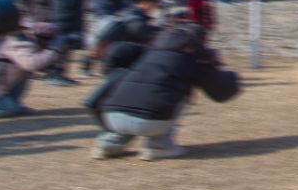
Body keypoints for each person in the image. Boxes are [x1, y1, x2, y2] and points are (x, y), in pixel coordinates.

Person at [92, 19, 240, 161]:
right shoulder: (195, 57)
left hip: (113, 116)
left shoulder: (151, 50)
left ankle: (109, 143)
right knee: (177, 91)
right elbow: (221, 93)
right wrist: (231, 75)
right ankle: (158, 145)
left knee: (145, 90)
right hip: (151, 121)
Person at [0, 22, 69, 119]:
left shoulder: (24, 40)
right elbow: (32, 64)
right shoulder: (20, 42)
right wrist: (54, 49)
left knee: (24, 74)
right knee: (10, 110)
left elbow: (41, 66)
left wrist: (54, 51)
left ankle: (11, 103)